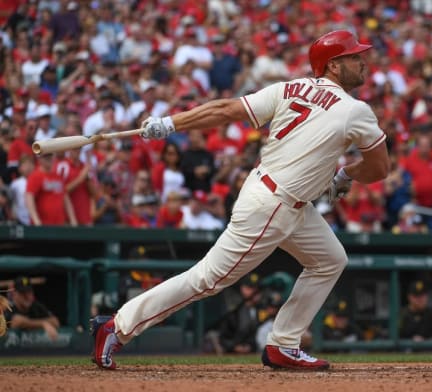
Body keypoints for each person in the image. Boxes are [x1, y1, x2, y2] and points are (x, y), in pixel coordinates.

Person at [90, 30, 389, 371]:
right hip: (274, 205)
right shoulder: (356, 110)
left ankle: (283, 345)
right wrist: (348, 175)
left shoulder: (289, 87)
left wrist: (170, 123)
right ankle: (118, 326)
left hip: (278, 197)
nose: (362, 61)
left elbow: (224, 109)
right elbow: (380, 168)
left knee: (330, 259)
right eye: (353, 57)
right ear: (333, 66)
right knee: (207, 279)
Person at [4, 276, 60, 341]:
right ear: (15, 294)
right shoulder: (8, 306)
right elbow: (17, 321)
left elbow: (55, 321)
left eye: (29, 292)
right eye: (23, 293)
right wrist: (43, 324)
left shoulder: (36, 306)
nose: (27, 296)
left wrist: (41, 324)